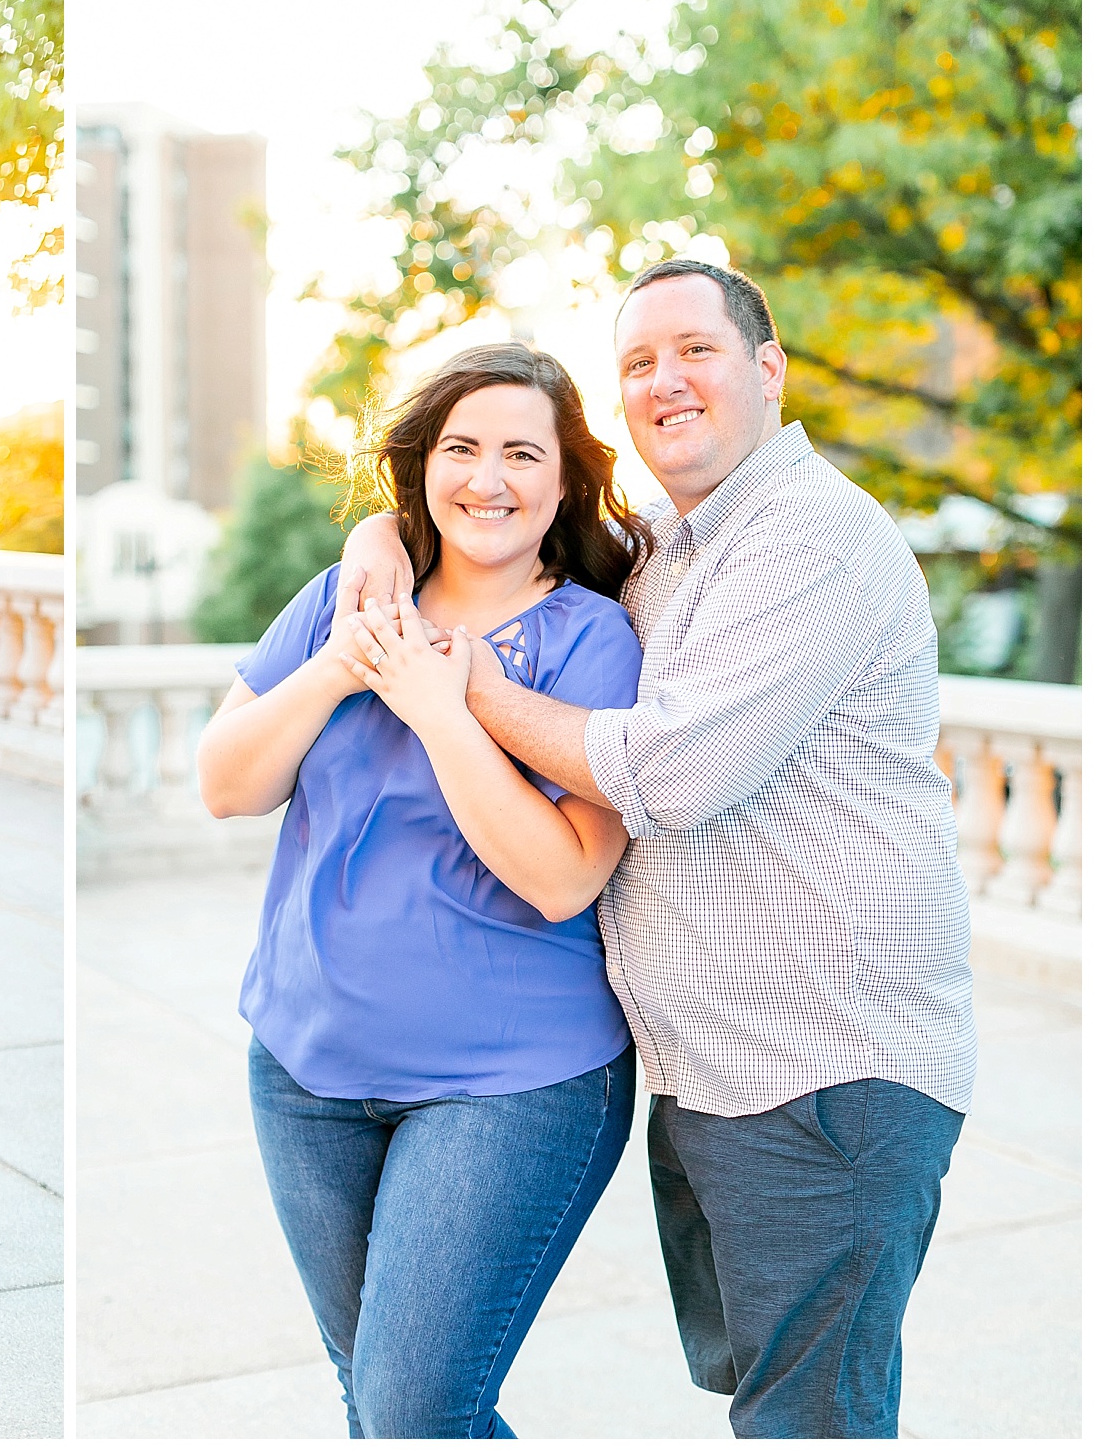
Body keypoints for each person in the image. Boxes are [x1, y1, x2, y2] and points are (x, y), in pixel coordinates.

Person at [338, 258, 975, 1439]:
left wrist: (454, 686)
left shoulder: (810, 537)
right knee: (771, 1405)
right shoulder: (671, 555)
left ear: (768, 369)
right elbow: (499, 523)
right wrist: (384, 525)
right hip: (714, 1077)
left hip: (822, 1071)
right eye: (636, 363)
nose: (663, 381)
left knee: (812, 1423)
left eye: (695, 350)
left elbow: (670, 772)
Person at [198, 342, 651, 1437]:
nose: (485, 479)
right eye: (459, 448)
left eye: (518, 454)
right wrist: (346, 658)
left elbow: (560, 878)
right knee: (377, 1402)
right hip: (304, 1069)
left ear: (561, 480)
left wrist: (440, 706)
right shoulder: (344, 597)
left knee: (413, 1408)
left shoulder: (593, 640)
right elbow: (225, 783)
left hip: (507, 1084)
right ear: (421, 465)